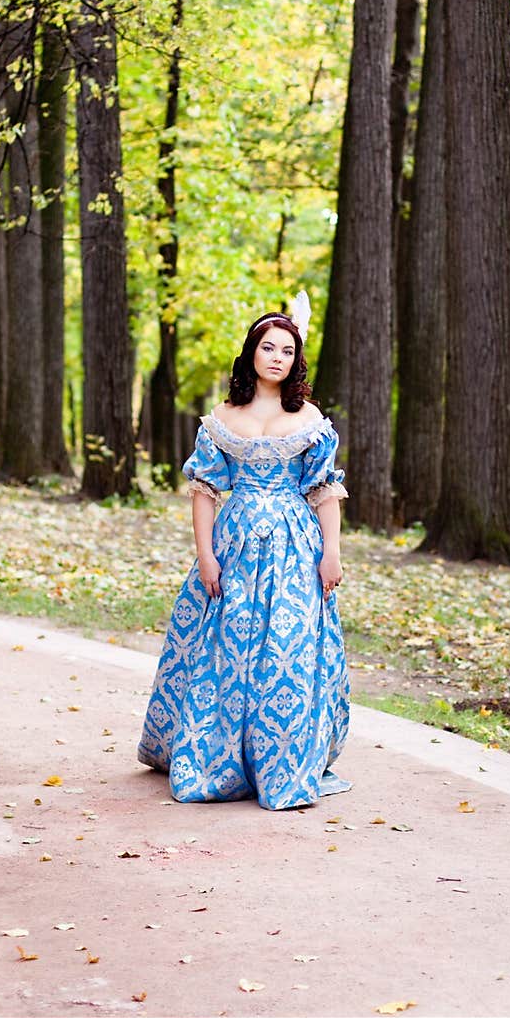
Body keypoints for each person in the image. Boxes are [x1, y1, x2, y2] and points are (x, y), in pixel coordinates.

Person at [137, 295, 351, 810]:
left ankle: (283, 764)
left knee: (288, 647)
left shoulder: (310, 419)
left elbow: (323, 490)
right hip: (234, 542)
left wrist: (332, 554)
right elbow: (205, 491)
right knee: (226, 645)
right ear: (251, 353)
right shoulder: (221, 418)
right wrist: (206, 556)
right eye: (267, 347)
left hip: (295, 546)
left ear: (295, 360)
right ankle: (218, 760)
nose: (276, 356)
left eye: (287, 350)